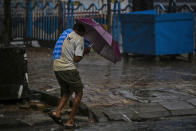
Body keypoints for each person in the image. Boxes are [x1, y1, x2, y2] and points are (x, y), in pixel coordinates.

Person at [49, 23, 90, 129]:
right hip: (68, 69)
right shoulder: (80, 38)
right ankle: (70, 121)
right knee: (79, 93)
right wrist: (85, 52)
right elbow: (76, 59)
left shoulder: (66, 32)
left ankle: (57, 113)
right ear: (82, 32)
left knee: (67, 92)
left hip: (56, 66)